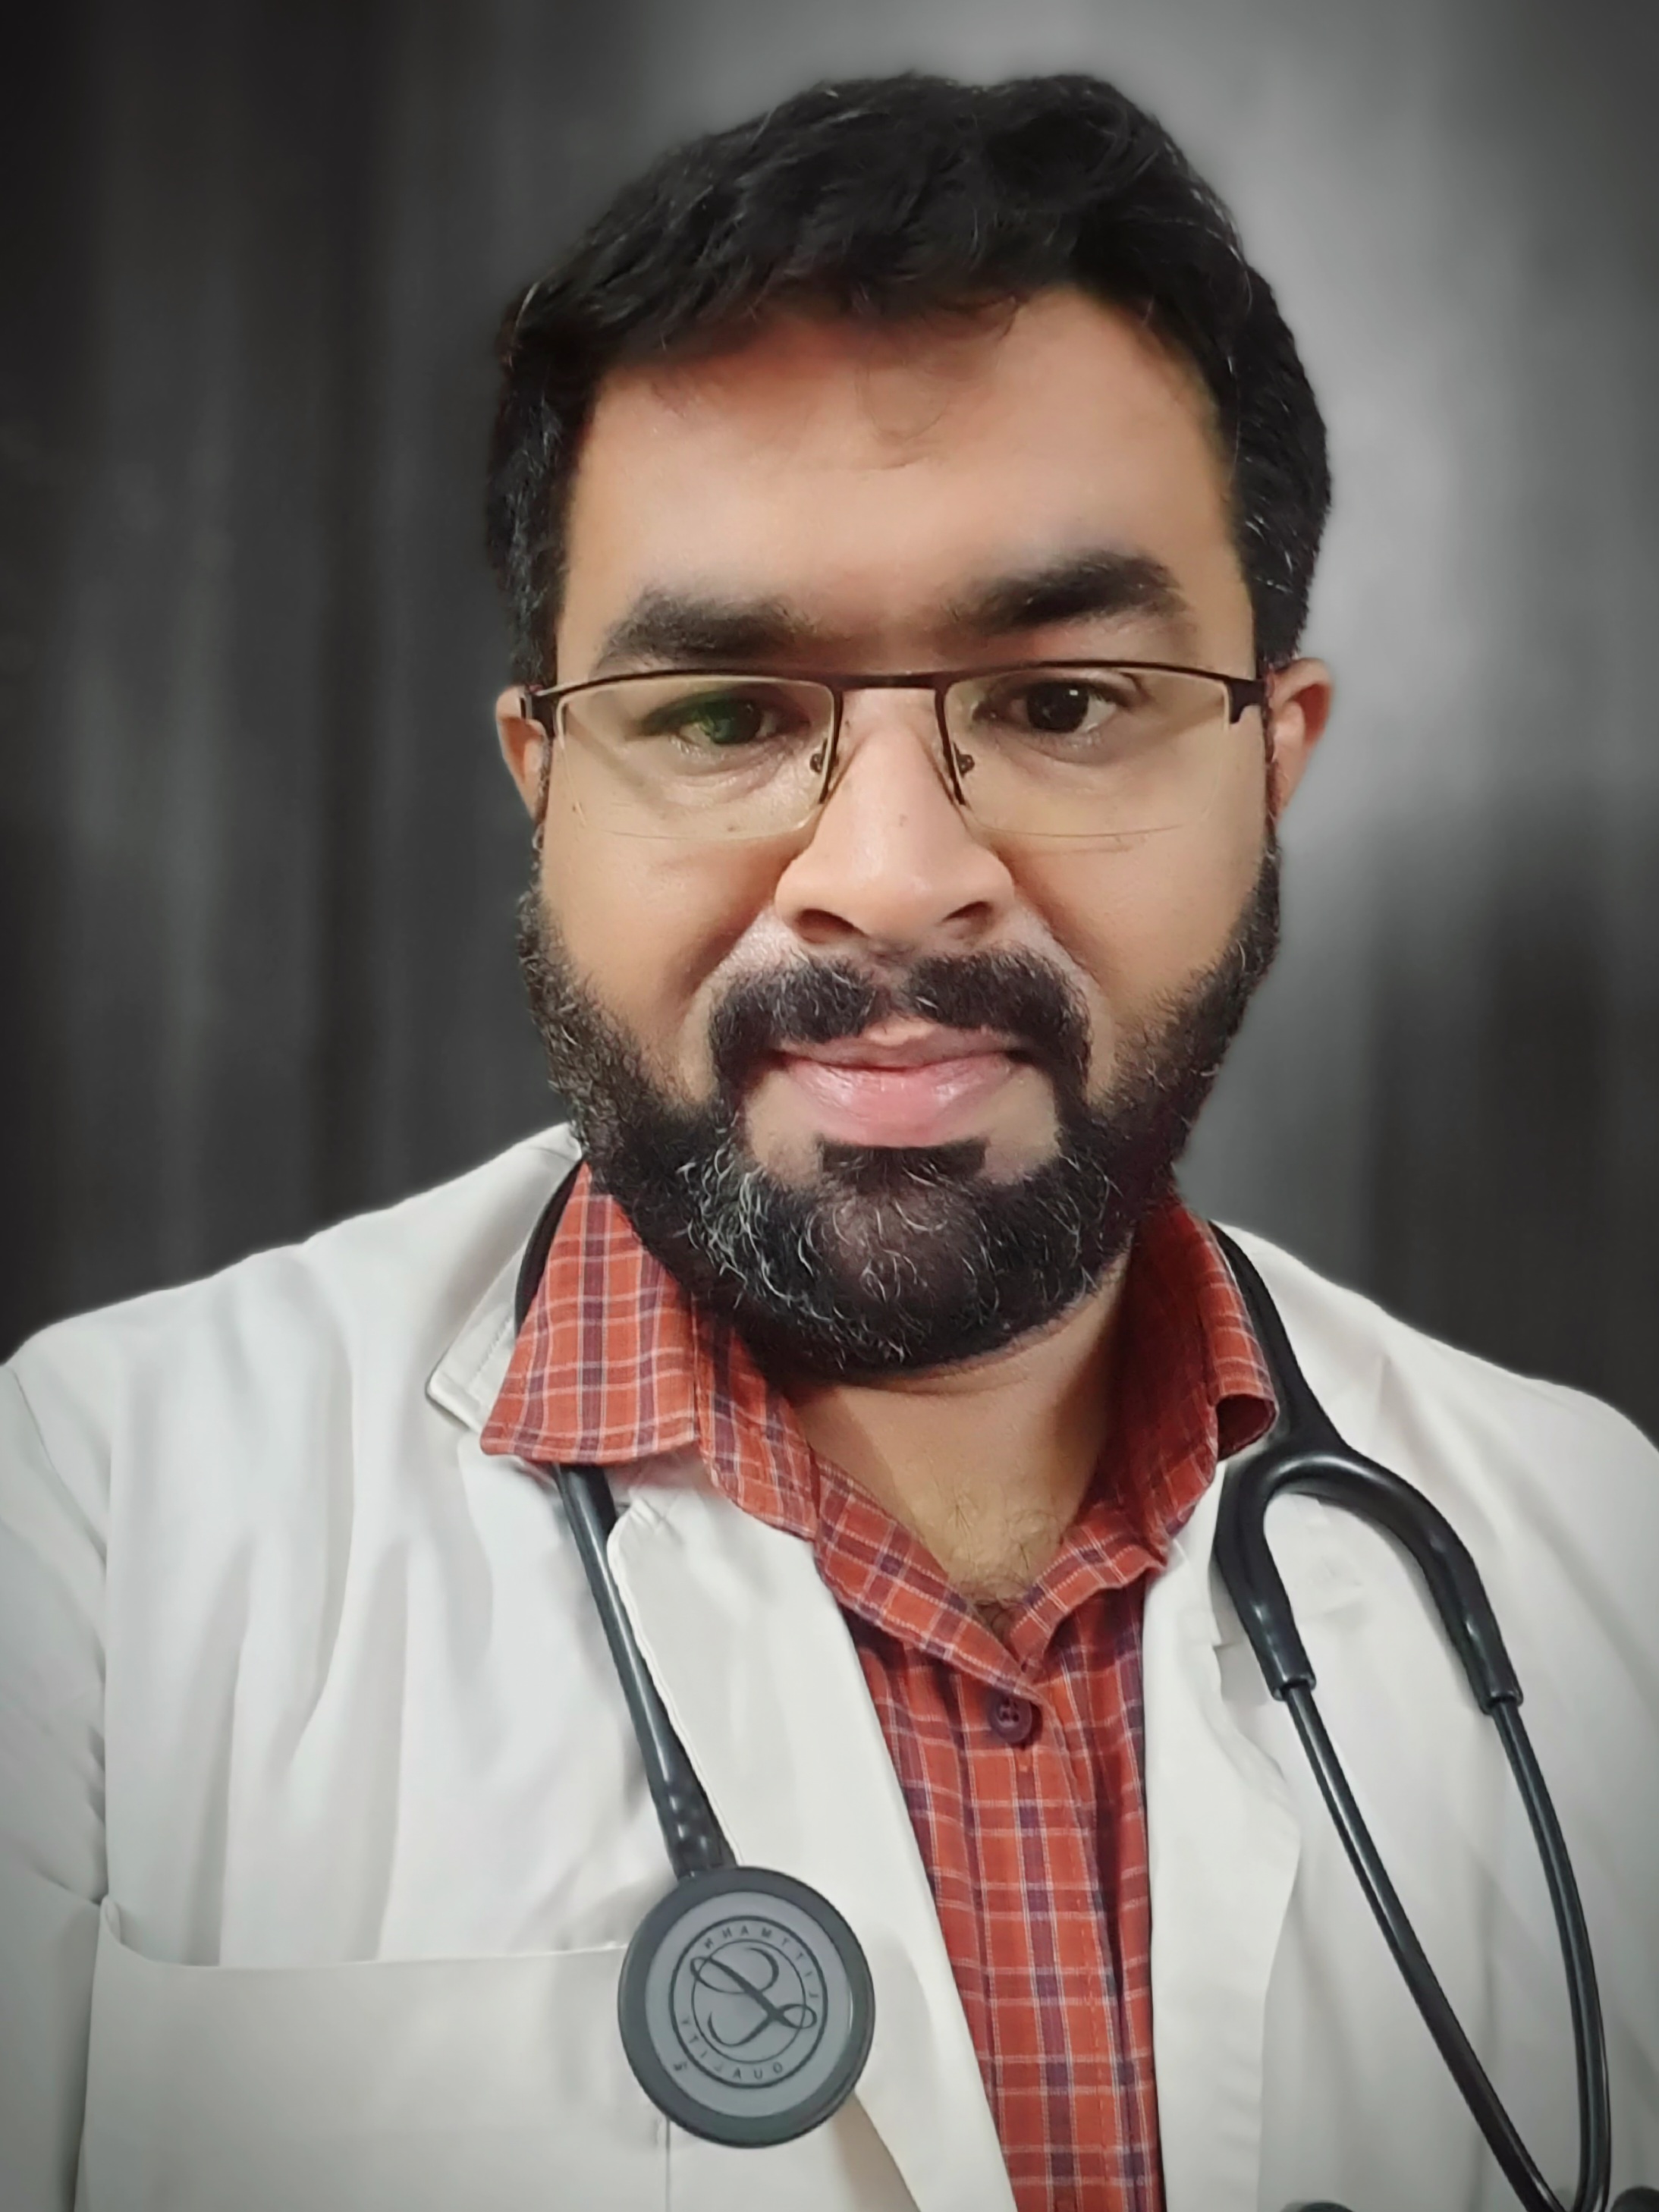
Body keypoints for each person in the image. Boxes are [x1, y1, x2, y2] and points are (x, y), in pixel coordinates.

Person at [2, 71, 1655, 2212]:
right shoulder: (88, 1552)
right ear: (541, 783)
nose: (887, 879)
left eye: (1061, 703)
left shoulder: (1608, 1567)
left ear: (1272, 765)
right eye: (721, 714)